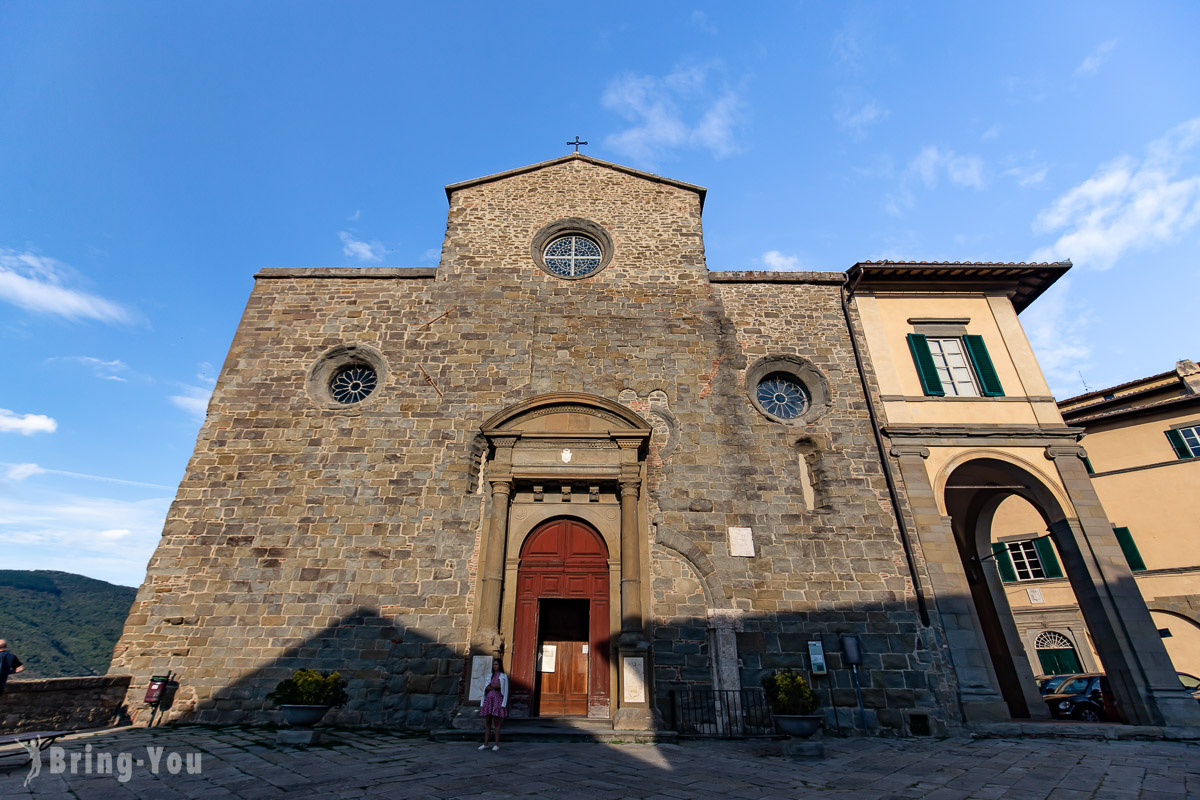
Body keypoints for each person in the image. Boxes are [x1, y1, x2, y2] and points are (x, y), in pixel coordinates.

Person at [477, 656, 508, 751]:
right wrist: (493, 686)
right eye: (494, 665)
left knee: (496, 723)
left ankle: (496, 744)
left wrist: (493, 686)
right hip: (488, 700)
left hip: (497, 701)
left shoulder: (503, 676)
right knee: (487, 722)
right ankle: (485, 743)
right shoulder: (490, 675)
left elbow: (502, 687)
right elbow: (487, 687)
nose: (494, 666)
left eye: (496, 664)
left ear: (500, 665)